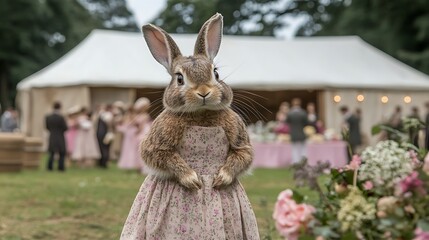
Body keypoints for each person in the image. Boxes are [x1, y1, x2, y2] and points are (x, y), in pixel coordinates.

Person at [117, 98, 151, 171]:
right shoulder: (137, 115)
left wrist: (138, 132)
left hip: (142, 133)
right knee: (136, 150)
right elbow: (133, 122)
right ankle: (138, 165)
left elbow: (141, 126)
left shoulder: (145, 116)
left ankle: (142, 166)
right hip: (139, 133)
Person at [45, 102, 68, 171]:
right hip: (60, 136)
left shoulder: (48, 117)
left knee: (51, 153)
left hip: (52, 136)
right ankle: (61, 167)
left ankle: (50, 167)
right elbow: (65, 127)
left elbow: (47, 127)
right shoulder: (61, 117)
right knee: (62, 153)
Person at [287, 98, 308, 164]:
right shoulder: (303, 113)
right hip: (301, 133)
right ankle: (303, 162)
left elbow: (287, 122)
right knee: (303, 149)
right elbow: (306, 123)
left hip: (293, 133)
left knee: (294, 149)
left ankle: (295, 162)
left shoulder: (290, 113)